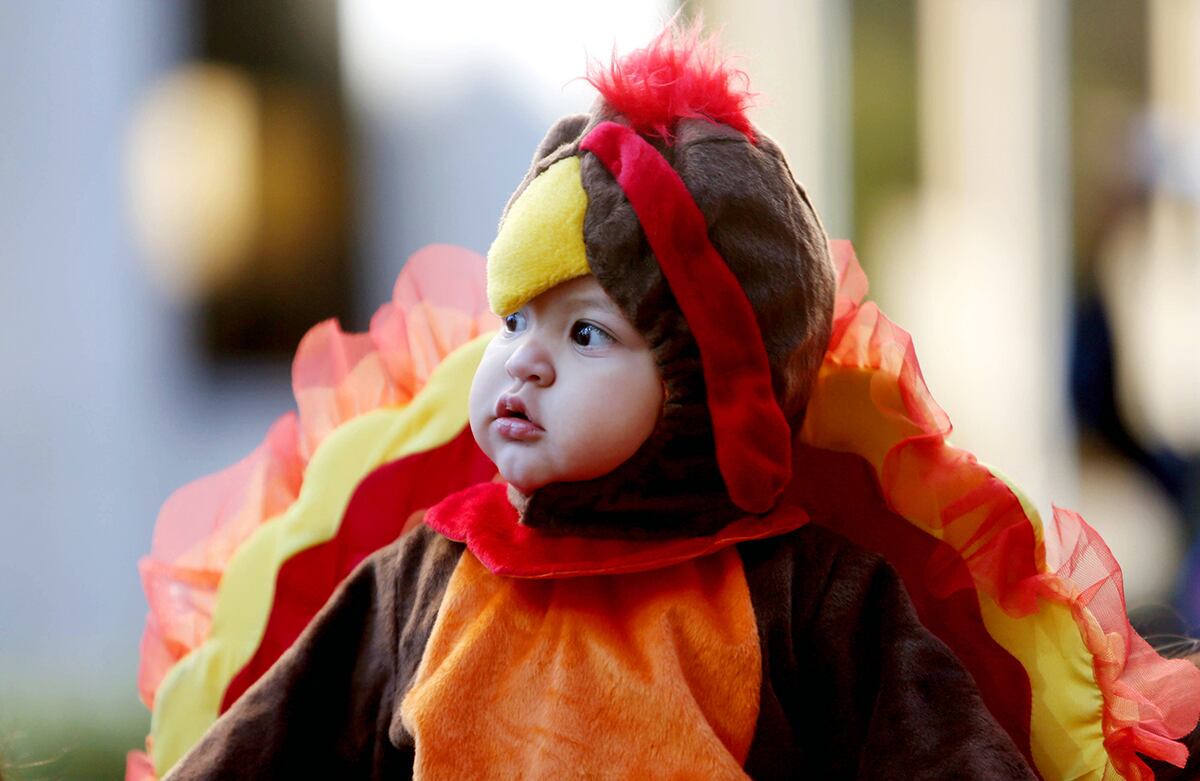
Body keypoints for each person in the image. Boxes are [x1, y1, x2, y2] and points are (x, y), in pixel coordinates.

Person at [145, 23, 1199, 781]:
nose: (526, 362)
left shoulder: (808, 595)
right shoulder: (421, 578)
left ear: (714, 392)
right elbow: (264, 749)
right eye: (514, 320)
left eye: (588, 332)